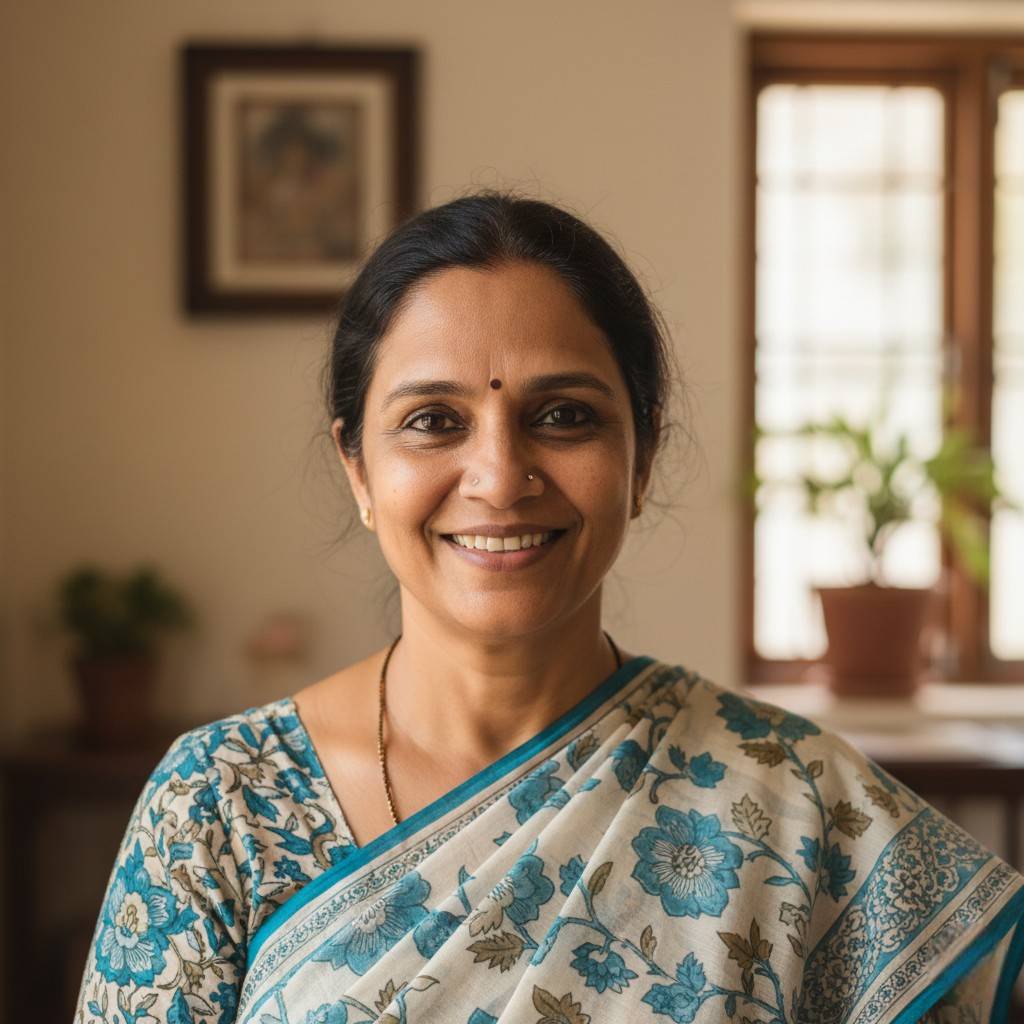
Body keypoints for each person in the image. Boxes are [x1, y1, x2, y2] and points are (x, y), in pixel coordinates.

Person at [74, 191, 1024, 1024]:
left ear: (642, 457)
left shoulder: (800, 804)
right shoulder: (219, 805)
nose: (498, 476)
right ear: (356, 470)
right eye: (432, 421)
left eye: (563, 415)